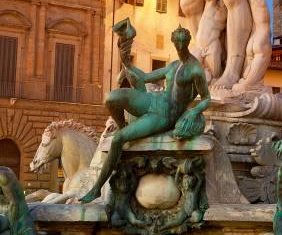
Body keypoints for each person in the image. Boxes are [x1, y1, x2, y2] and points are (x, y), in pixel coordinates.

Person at [79, 24, 211, 203]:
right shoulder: (173, 66)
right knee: (111, 98)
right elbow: (145, 77)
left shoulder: (195, 69)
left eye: (183, 42)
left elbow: (206, 98)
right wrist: (126, 61)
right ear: (173, 42)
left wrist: (193, 111)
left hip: (165, 115)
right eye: (177, 42)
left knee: (119, 139)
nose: (180, 46)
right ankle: (123, 126)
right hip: (153, 100)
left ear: (187, 42)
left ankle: (96, 189)